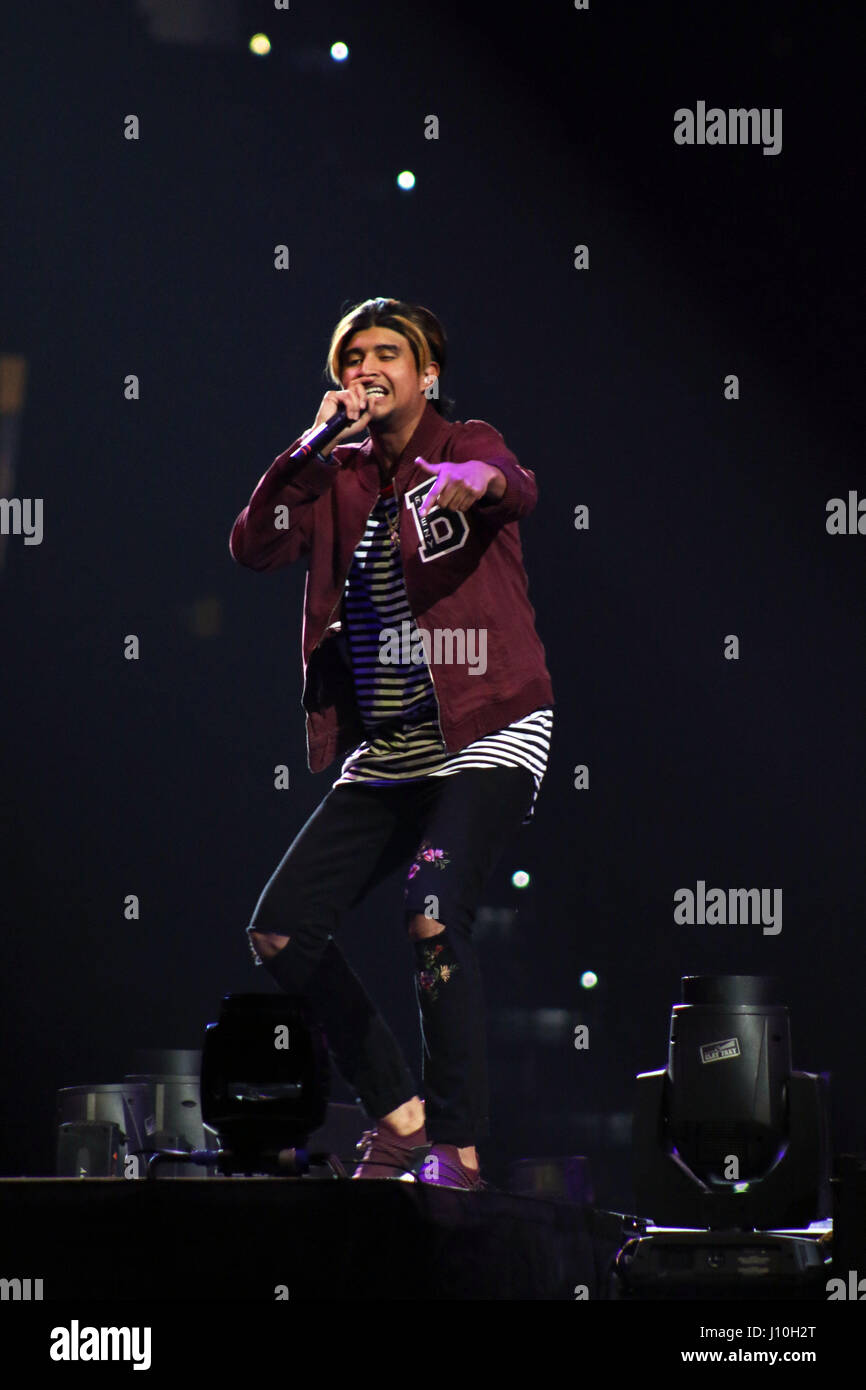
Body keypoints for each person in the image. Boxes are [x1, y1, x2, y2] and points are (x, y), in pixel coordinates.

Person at [229, 297, 554, 1189]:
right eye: (352, 357)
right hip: (394, 746)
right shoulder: (335, 473)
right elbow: (253, 546)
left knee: (432, 912)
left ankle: (460, 1144)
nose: (366, 368)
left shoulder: (466, 441)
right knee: (281, 930)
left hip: (489, 725)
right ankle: (400, 1115)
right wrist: (307, 443)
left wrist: (470, 486)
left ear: (426, 373)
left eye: (386, 353)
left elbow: (511, 482)